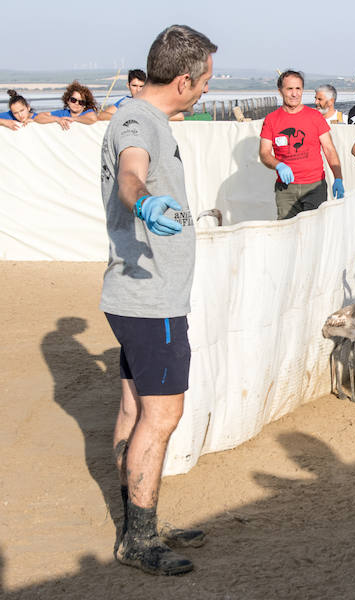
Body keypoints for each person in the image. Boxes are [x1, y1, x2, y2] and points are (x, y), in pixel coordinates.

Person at [99, 24, 217, 576]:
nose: (207, 91)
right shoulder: (137, 120)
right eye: (207, 81)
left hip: (136, 295)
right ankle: (138, 538)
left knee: (133, 407)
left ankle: (137, 518)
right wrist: (144, 204)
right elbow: (130, 174)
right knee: (163, 413)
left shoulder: (141, 115)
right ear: (186, 78)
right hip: (151, 300)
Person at [259, 70, 344, 219]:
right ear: (280, 91)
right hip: (286, 189)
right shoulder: (271, 120)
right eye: (289, 89)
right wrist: (279, 165)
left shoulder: (315, 116)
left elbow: (329, 149)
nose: (294, 94)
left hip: (314, 187)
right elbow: (264, 153)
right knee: (286, 232)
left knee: (314, 231)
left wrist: (338, 178)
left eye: (298, 89)